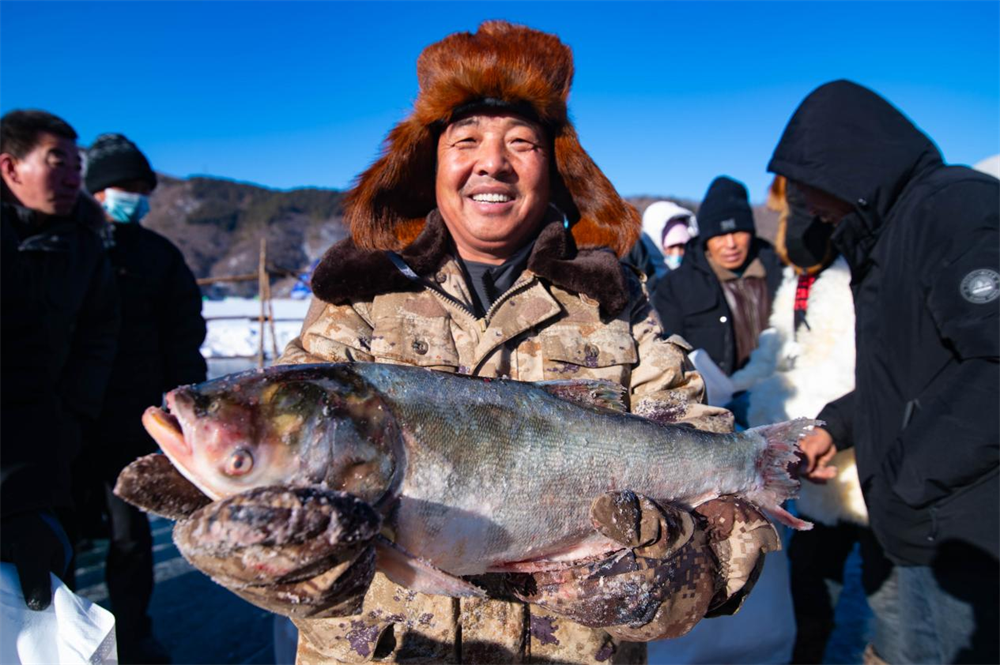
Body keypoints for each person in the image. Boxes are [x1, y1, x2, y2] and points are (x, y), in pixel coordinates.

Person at [136, 22, 779, 665]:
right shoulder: (357, 298)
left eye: (521, 142)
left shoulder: (617, 305)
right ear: (431, 162)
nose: (491, 162)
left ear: (553, 168)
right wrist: (285, 556)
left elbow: (724, 520)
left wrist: (663, 577)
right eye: (466, 139)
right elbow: (295, 500)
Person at [769, 80, 1000, 665]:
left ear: (851, 168)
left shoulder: (954, 210)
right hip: (913, 525)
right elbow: (901, 380)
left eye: (817, 192)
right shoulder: (881, 239)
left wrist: (903, 475)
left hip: (967, 534)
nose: (813, 209)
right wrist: (834, 428)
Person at [729, 175, 895, 663]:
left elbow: (843, 371)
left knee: (887, 596)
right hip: (813, 457)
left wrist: (796, 428)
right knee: (811, 587)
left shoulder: (851, 275)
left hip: (859, 458)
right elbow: (779, 349)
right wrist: (732, 388)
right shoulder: (801, 279)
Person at [81, 133, 207, 664]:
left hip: (129, 423)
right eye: (122, 186)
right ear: (96, 191)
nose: (133, 196)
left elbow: (185, 336)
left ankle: (132, 635)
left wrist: (189, 407)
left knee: (129, 540)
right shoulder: (67, 246)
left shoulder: (159, 255)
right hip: (65, 422)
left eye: (139, 187)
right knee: (57, 537)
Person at [0, 110, 118, 608]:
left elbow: (97, 345)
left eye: (78, 165)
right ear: (10, 167)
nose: (74, 176)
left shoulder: (86, 250)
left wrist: (69, 425)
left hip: (50, 450)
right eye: (57, 162)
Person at [652, 176, 782, 378]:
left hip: (780, 391)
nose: (730, 244)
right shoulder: (676, 287)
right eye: (720, 235)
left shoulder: (782, 273)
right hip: (717, 401)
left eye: (738, 232)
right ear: (705, 239)